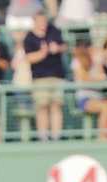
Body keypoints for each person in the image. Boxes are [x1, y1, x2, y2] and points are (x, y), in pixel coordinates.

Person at [23, 13, 67, 141]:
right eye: (40, 21)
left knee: (56, 105)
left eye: (44, 21)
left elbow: (65, 46)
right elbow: (29, 58)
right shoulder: (29, 38)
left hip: (57, 75)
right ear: (34, 21)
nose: (43, 24)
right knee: (42, 106)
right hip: (40, 78)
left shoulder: (54, 31)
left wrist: (57, 48)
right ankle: (43, 136)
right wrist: (43, 53)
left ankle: (56, 136)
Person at [72, 44, 107, 138]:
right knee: (105, 107)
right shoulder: (77, 61)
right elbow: (84, 78)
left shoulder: (97, 64)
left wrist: (99, 64)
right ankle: (102, 136)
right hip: (85, 99)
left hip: (98, 97)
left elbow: (104, 77)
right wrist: (99, 78)